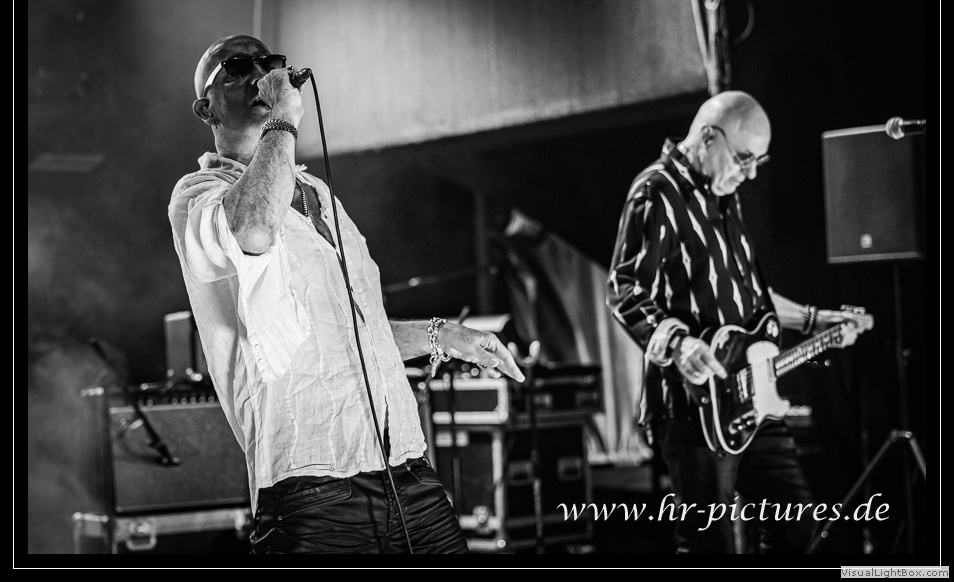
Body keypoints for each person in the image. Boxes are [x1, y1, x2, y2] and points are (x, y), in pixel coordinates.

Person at [168, 34, 525, 554]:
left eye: (269, 62)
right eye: (238, 67)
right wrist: (283, 119)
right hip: (313, 484)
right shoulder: (200, 195)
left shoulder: (319, 194)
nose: (259, 74)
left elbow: (353, 336)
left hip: (405, 467)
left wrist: (444, 336)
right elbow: (253, 229)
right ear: (207, 109)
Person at [605, 90, 872, 554]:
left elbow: (751, 300)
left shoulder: (725, 194)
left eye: (758, 163)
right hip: (692, 407)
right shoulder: (656, 190)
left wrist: (813, 319)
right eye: (744, 158)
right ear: (709, 137)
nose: (749, 174)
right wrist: (678, 343)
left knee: (798, 529)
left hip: (753, 398)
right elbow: (624, 287)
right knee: (711, 545)